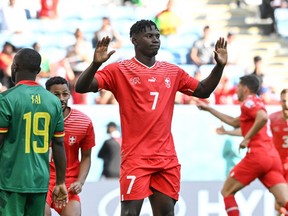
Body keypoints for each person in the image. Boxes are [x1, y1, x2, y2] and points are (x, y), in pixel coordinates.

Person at [75, 19, 228, 215]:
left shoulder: (172, 71)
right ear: (134, 40)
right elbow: (81, 87)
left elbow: (203, 90)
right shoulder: (119, 70)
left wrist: (219, 67)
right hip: (135, 158)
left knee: (166, 213)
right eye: (149, 36)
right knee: (129, 213)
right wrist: (96, 64)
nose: (155, 40)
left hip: (166, 159)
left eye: (157, 36)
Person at [196, 74, 288, 216]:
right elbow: (234, 121)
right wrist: (209, 110)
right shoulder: (256, 102)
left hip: (258, 155)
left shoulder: (248, 102)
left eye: (238, 87)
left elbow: (262, 117)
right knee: (284, 201)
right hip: (272, 158)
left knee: (226, 191)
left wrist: (247, 139)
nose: (236, 90)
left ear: (245, 88)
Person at [0, 48, 67, 215]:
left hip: (10, 181)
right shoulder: (53, 101)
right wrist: (60, 182)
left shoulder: (6, 99)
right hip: (39, 181)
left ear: (14, 67)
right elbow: (59, 144)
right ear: (38, 70)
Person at [45, 76, 96, 216]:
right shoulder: (39, 120)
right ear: (46, 95)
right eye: (56, 94)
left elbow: (86, 157)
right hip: (42, 181)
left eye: (65, 94)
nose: (61, 98)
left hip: (68, 183)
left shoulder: (84, 122)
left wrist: (80, 182)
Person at [270, 88, 288, 215]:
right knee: (279, 205)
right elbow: (255, 130)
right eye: (284, 101)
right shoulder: (273, 118)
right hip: (279, 168)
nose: (286, 104)